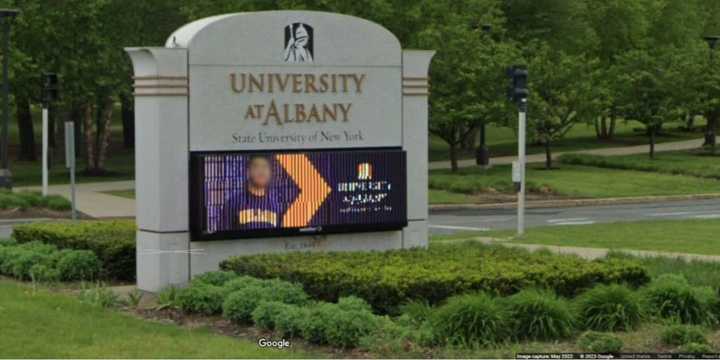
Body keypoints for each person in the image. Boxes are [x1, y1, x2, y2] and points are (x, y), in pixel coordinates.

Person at [220, 155, 284, 230]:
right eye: (256, 166)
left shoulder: (277, 206)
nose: (261, 171)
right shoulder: (233, 203)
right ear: (248, 171)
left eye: (265, 167)